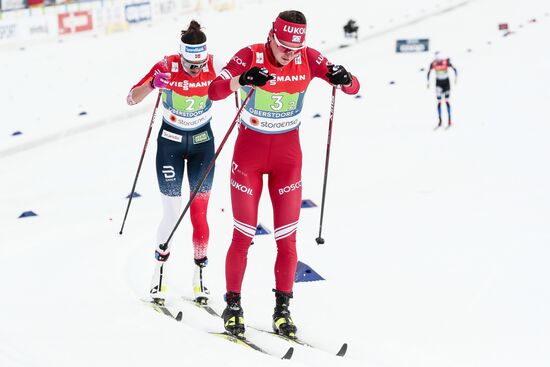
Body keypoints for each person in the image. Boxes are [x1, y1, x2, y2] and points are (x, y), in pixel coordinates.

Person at [208, 10, 360, 338]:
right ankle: (232, 305)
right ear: (271, 36)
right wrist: (244, 79)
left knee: (287, 239)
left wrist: (343, 78)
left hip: (288, 161)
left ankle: (282, 309)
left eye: (295, 48)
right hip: (247, 160)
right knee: (243, 235)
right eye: (283, 47)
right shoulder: (250, 55)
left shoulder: (307, 57)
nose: (289, 54)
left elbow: (352, 86)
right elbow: (215, 90)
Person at [127, 20, 220, 306]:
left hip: (203, 143)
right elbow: (131, 98)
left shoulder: (215, 65)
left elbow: (237, 87)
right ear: (181, 56)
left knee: (199, 215)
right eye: (191, 64)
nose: (196, 70)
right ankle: (159, 274)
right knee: (171, 213)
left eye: (200, 64)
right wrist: (153, 84)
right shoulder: (166, 66)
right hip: (170, 142)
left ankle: (199, 277)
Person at [427, 51, 458, 127]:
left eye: (439, 60)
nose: (438, 61)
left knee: (447, 100)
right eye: (437, 60)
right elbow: (429, 72)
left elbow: (454, 69)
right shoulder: (433, 63)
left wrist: (456, 78)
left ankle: (449, 119)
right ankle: (440, 120)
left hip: (446, 83)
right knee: (439, 101)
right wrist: (428, 82)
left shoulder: (446, 62)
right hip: (438, 83)